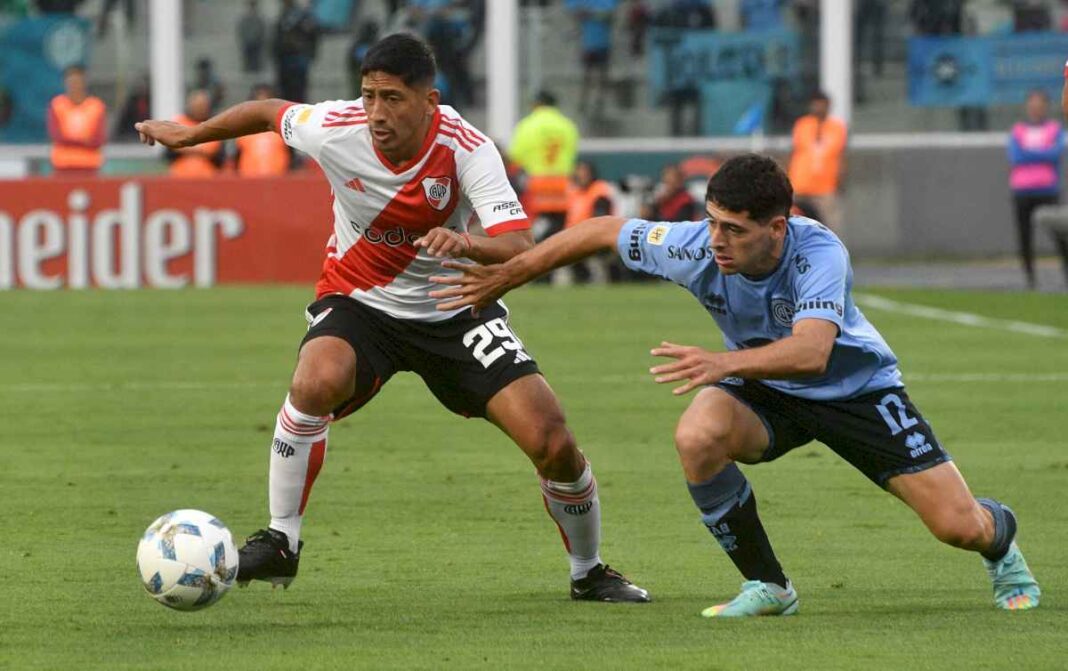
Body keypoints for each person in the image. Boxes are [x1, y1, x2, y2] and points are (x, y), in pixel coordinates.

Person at [134, 33, 649, 603]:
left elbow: (520, 245)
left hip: (452, 308)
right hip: (362, 302)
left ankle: (589, 571)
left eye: (392, 99)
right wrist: (193, 135)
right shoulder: (336, 125)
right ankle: (283, 540)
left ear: (429, 100)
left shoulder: (465, 146)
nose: (376, 113)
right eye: (369, 95)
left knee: (551, 439)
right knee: (314, 380)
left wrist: (466, 243)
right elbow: (266, 111)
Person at [429, 153, 1041, 616]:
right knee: (698, 435)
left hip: (856, 392)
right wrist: (512, 272)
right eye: (712, 222)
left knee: (959, 528)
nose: (716, 240)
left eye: (735, 230)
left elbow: (812, 352)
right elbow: (601, 231)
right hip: (766, 389)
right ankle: (769, 585)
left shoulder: (819, 253)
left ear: (780, 226)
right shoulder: (697, 246)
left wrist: (723, 365)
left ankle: (1001, 544)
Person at [1008, 89, 1063, 290]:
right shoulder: (1018, 130)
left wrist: (1030, 153)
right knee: (1024, 236)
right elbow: (1016, 157)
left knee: (1060, 235)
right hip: (1022, 190)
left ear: (1046, 107)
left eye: (1039, 105)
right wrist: (1041, 154)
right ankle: (1030, 279)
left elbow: (1055, 154)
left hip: (1047, 189)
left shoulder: (1055, 129)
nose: (1036, 109)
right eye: (1032, 105)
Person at [509, 91, 580, 246]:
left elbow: (516, 157)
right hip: (562, 183)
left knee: (536, 226)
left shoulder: (527, 124)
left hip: (537, 183)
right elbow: (573, 153)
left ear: (537, 104)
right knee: (558, 226)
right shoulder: (567, 125)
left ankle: (538, 257)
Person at [788, 91, 847, 234]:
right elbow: (795, 152)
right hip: (800, 184)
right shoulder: (802, 124)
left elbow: (841, 155)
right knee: (793, 224)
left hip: (825, 187)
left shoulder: (837, 127)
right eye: (815, 104)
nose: (818, 108)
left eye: (821, 104)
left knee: (830, 227)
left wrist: (841, 180)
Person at [559, 160, 616, 285]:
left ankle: (598, 284)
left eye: (585, 172)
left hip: (594, 238)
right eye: (579, 171)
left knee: (594, 262)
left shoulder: (599, 191)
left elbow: (601, 220)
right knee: (558, 259)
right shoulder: (573, 191)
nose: (581, 175)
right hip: (570, 238)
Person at [47, 65, 107, 176]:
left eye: (78, 81)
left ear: (84, 82)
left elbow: (98, 139)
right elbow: (56, 136)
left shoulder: (96, 106)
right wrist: (83, 140)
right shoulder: (57, 105)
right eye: (71, 82)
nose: (75, 85)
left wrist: (71, 140)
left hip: (90, 166)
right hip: (63, 165)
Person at [233, 84, 291, 177]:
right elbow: (237, 158)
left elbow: (292, 158)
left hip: (278, 182)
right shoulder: (243, 130)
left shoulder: (284, 129)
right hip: (249, 182)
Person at [166, 89, 224, 178]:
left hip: (208, 179)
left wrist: (186, 148)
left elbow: (219, 157)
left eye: (202, 106)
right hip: (179, 178)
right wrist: (202, 151)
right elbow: (168, 153)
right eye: (197, 105)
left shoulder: (215, 125)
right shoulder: (178, 123)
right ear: (190, 105)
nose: (200, 109)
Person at [274, 0, 320, 103]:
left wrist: (311, 53)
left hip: (299, 56)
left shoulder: (303, 16)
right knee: (285, 88)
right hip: (285, 57)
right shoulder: (284, 15)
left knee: (299, 88)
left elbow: (313, 35)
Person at [237, 0, 268, 74]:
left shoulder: (260, 17)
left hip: (257, 42)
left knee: (256, 61)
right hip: (248, 42)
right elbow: (241, 29)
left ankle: (256, 71)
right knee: (248, 61)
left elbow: (262, 30)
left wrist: (260, 39)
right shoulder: (245, 17)